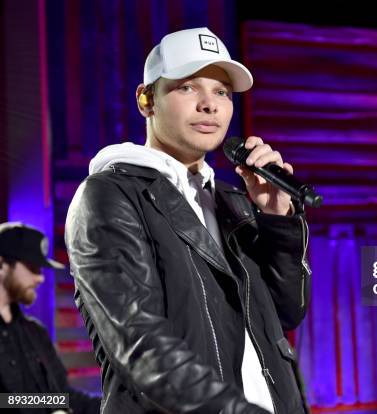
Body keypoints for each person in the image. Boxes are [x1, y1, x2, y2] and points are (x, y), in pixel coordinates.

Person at [64, 27, 311, 414]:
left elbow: (284, 312)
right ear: (147, 100)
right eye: (188, 87)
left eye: (222, 92)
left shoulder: (233, 201)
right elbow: (141, 343)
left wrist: (276, 217)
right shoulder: (110, 196)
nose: (209, 105)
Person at [0, 222, 101, 413]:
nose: (40, 278)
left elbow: (61, 395)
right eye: (32, 267)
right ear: (2, 264)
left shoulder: (35, 332)